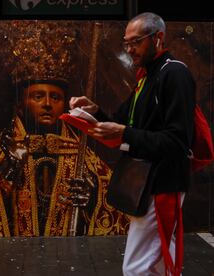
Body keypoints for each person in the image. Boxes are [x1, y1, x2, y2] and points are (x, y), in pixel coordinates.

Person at [0, 22, 129, 237]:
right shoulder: (0, 154)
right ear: (20, 106)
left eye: (56, 97)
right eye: (38, 96)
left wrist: (94, 196)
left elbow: (113, 201)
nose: (48, 104)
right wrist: (7, 173)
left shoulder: (82, 156)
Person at [69, 12, 195, 275]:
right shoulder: (146, 77)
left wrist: (125, 132)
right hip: (146, 180)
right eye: (126, 43)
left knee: (136, 269)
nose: (130, 49)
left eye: (136, 42)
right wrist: (94, 112)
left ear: (158, 38)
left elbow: (177, 141)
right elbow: (122, 122)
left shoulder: (174, 74)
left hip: (162, 183)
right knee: (162, 263)